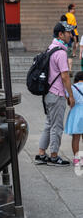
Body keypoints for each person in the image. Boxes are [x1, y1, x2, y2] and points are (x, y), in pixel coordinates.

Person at [35, 22, 75, 167]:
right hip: (57, 94)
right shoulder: (61, 52)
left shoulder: (50, 48)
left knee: (49, 124)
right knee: (56, 127)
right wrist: (70, 95)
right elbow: (65, 76)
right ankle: (53, 156)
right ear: (60, 34)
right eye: (68, 33)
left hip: (48, 94)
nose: (70, 35)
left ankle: (41, 154)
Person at [64, 71, 83, 168]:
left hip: (76, 113)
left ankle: (77, 159)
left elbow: (69, 102)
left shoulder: (72, 87)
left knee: (76, 138)